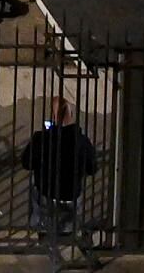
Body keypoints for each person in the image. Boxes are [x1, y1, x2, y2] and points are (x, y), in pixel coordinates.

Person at [23, 91, 97, 265]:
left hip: (46, 193)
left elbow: (26, 163)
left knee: (34, 184)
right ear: (71, 116)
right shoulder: (82, 140)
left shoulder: (42, 138)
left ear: (54, 117)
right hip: (71, 194)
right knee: (77, 185)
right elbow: (92, 168)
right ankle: (70, 228)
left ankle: (41, 226)